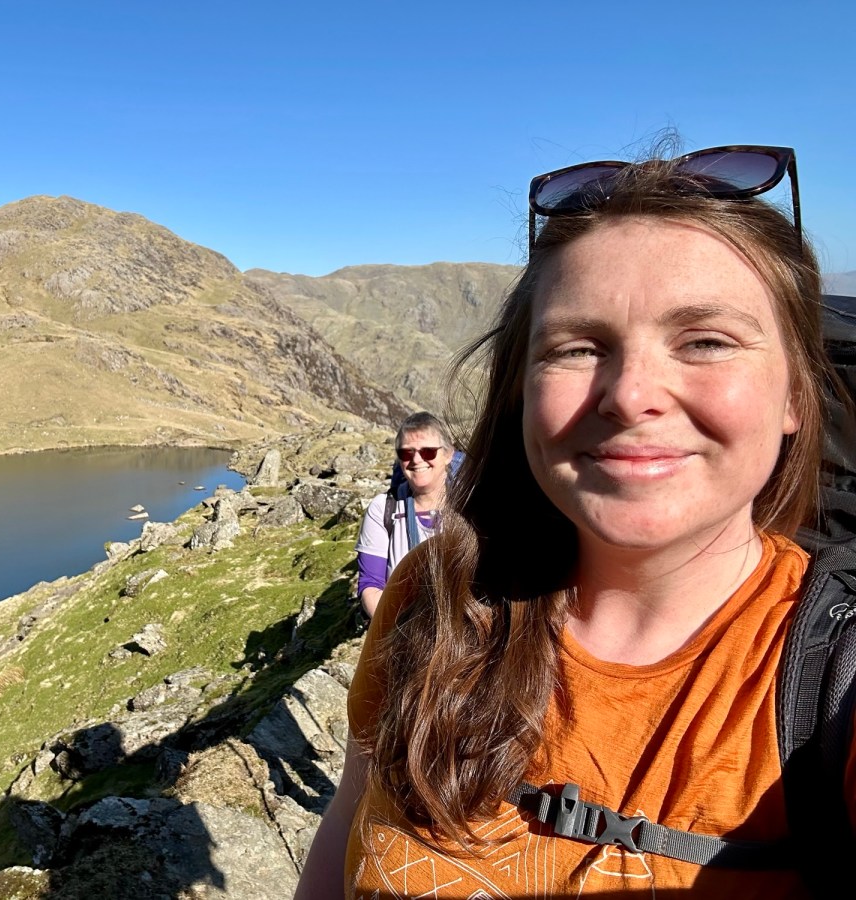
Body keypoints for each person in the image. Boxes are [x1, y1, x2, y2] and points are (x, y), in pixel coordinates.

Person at [294, 144, 855, 898]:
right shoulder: (431, 599)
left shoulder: (834, 684)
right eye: (579, 347)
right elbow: (348, 826)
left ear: (795, 395)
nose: (630, 395)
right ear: (519, 391)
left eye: (705, 342)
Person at [354, 412, 458, 619]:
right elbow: (371, 585)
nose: (416, 460)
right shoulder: (383, 509)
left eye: (428, 452)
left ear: (448, 454)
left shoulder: (471, 506)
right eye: (406, 453)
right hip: (403, 634)